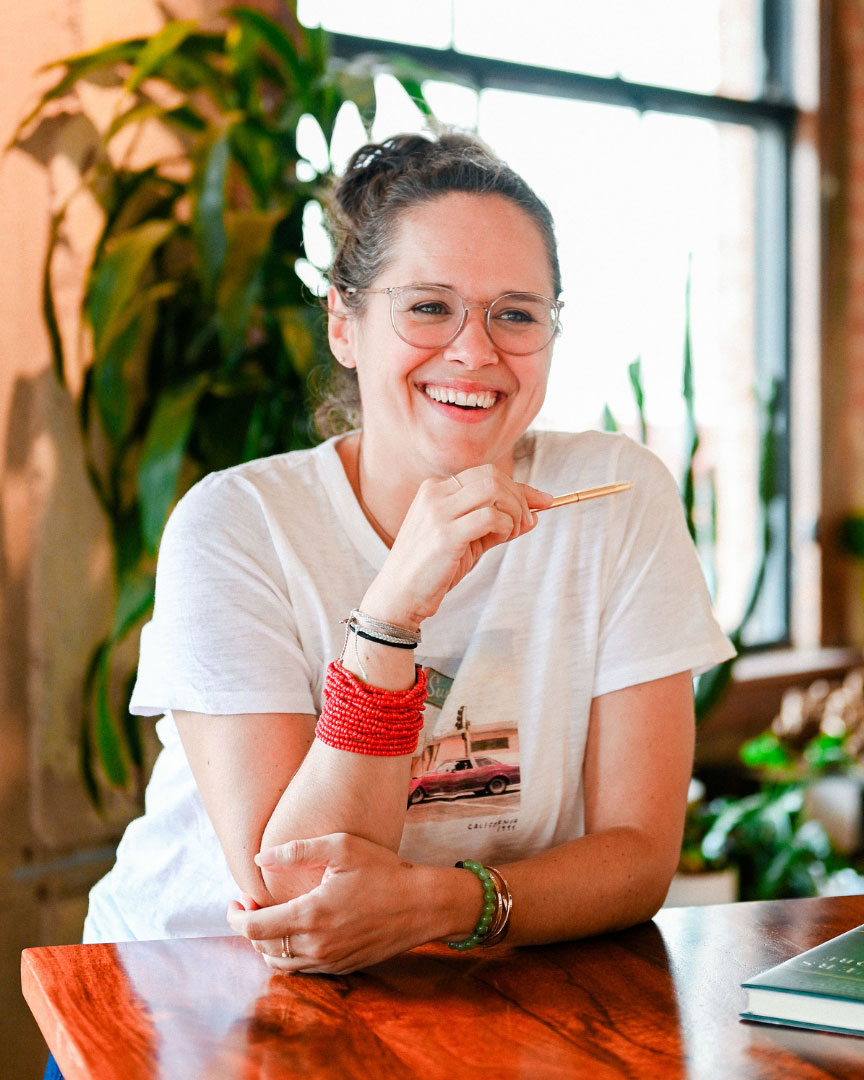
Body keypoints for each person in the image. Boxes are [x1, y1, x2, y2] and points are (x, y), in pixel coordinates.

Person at [82, 131, 735, 974]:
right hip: (180, 994)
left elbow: (639, 853)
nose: (475, 350)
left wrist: (442, 903)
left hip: (456, 990)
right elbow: (293, 902)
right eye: (428, 306)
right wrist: (391, 616)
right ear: (344, 325)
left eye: (516, 313)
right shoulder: (235, 526)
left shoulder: (614, 497)